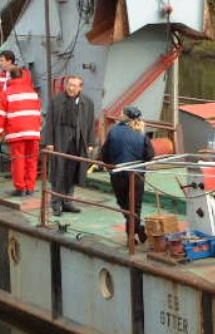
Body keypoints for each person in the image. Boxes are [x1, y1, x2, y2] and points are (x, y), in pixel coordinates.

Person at [0, 68, 42, 197]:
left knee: (18, 161)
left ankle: (20, 188)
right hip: (33, 132)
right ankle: (30, 187)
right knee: (32, 160)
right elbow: (38, 112)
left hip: (17, 133)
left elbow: (1, 115)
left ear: (10, 78)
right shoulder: (32, 92)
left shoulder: (6, 93)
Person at [43, 75, 96, 216]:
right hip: (60, 140)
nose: (71, 88)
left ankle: (67, 201)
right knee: (58, 172)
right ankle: (56, 202)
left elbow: (90, 124)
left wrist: (90, 143)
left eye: (74, 85)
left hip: (78, 141)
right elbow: (49, 123)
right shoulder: (56, 101)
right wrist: (49, 142)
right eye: (69, 85)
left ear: (80, 87)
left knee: (73, 172)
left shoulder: (87, 103)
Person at [101, 106, 155, 244]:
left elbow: (104, 154)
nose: (119, 114)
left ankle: (132, 234)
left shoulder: (113, 131)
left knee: (124, 204)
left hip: (118, 173)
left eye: (122, 113)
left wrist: (109, 165)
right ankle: (137, 230)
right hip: (137, 174)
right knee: (135, 206)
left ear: (125, 116)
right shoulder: (141, 133)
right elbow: (149, 155)